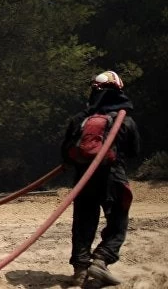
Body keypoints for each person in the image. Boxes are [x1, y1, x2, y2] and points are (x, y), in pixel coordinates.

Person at [61, 70, 141, 287]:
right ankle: (102, 258)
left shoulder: (79, 120)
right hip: (113, 177)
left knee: (83, 222)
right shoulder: (126, 121)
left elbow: (65, 153)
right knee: (118, 221)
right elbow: (134, 152)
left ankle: (79, 270)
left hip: (84, 179)